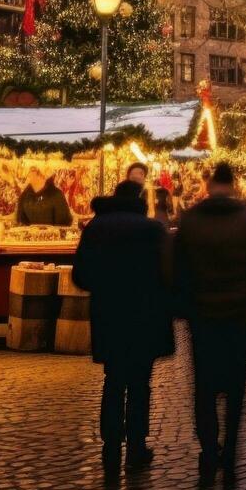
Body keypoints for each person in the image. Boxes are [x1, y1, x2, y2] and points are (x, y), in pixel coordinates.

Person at [170, 163, 246, 487]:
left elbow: (176, 269)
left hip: (203, 319)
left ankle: (208, 451)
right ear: (232, 185)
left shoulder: (191, 220)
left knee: (204, 388)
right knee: (235, 389)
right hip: (240, 319)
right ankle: (229, 453)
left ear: (208, 184)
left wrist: (185, 308)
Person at [73, 179, 174, 473]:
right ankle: (137, 447)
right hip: (145, 316)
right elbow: (169, 274)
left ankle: (110, 446)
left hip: (110, 315)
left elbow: (80, 276)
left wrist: (106, 287)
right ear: (141, 200)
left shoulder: (95, 228)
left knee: (113, 380)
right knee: (140, 384)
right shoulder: (153, 230)